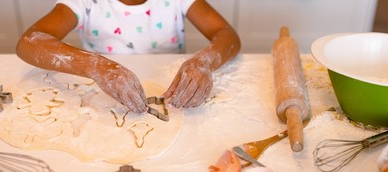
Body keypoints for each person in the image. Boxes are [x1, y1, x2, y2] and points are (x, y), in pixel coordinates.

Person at [16, 0, 241, 113]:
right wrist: (97, 66)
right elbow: (29, 42)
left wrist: (204, 62)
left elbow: (228, 36)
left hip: (169, 90)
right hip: (106, 97)